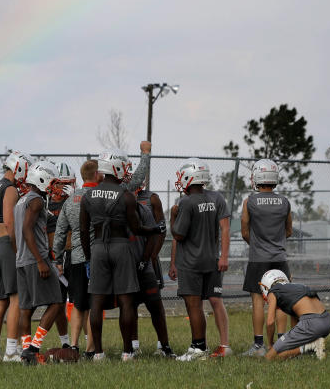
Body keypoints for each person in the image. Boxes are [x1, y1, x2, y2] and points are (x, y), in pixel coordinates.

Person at [80, 151, 163, 361]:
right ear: (116, 168)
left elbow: (83, 230)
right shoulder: (126, 196)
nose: (127, 171)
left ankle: (98, 352)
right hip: (121, 247)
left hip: (98, 247)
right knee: (126, 300)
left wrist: (90, 257)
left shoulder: (88, 196)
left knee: (96, 302)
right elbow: (136, 229)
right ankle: (127, 352)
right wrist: (154, 230)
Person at [168, 162, 232, 359]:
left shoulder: (186, 202)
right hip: (209, 259)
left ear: (189, 178)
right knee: (207, 302)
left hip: (191, 261)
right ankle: (201, 346)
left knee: (194, 306)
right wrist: (223, 256)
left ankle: (198, 348)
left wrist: (172, 217)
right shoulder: (214, 199)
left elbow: (178, 235)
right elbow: (223, 228)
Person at [13, 160, 66, 365]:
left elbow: (13, 234)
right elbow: (27, 230)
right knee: (56, 302)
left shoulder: (22, 200)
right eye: (53, 182)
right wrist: (39, 260)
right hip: (36, 259)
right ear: (42, 179)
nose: (55, 187)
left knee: (26, 309)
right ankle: (33, 349)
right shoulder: (35, 201)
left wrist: (23, 256)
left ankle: (26, 352)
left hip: (22, 260)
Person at [240, 159, 293, 357]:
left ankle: (258, 345)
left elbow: (245, 231)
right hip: (279, 258)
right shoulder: (285, 202)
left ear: (257, 177)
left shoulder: (250, 202)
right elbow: (289, 230)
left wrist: (258, 244)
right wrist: (275, 243)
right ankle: (281, 343)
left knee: (257, 301)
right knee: (280, 300)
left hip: (258, 259)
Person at [0, 150, 33, 361]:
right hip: (7, 245)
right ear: (19, 167)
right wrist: (16, 247)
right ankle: (11, 350)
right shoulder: (10, 189)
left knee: (0, 300)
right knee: (16, 299)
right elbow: (9, 222)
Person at [126, 145, 175, 358]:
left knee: (155, 305)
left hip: (148, 261)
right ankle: (133, 346)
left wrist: (153, 255)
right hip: (128, 261)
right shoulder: (121, 199)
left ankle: (163, 346)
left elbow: (161, 230)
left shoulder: (151, 198)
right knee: (131, 305)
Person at [52, 159, 97, 356]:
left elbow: (60, 233)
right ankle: (91, 349)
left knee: (78, 304)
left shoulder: (69, 202)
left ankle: (74, 345)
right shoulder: (98, 195)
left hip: (76, 258)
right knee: (93, 304)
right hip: (97, 257)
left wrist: (57, 259)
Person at [259, 269, 330, 361]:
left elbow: (270, 322)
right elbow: (296, 318)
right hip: (327, 321)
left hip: (312, 323)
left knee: (269, 358)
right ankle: (310, 346)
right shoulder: (297, 287)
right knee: (288, 348)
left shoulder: (273, 291)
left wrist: (270, 344)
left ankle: (310, 347)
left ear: (266, 286)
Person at [44, 163, 76, 349]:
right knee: (57, 303)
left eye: (67, 184)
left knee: (81, 302)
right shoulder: (45, 201)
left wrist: (75, 201)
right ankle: (65, 343)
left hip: (74, 254)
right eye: (59, 184)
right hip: (53, 257)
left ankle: (88, 345)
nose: (62, 189)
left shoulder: (76, 199)